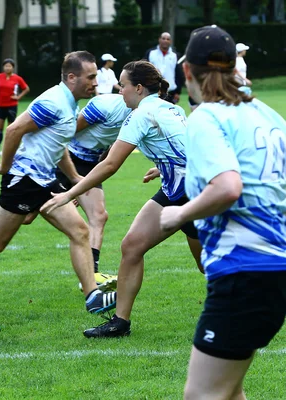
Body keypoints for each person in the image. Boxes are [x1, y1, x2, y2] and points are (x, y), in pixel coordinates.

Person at [158, 25, 286, 400]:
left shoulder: (206, 117)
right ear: (233, 67)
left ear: (186, 71)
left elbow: (228, 186)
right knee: (228, 391)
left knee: (201, 395)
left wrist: (179, 216)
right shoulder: (268, 115)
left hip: (243, 270)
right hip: (274, 269)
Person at [0, 51, 118, 321]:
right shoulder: (54, 102)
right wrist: (5, 166)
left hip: (45, 181)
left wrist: (74, 179)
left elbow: (57, 145)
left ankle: (92, 295)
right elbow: (14, 130)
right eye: (91, 77)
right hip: (24, 181)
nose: (96, 82)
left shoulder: (70, 104)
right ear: (72, 77)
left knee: (80, 231)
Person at [41, 60, 203, 338]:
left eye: (123, 85)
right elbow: (186, 146)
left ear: (138, 88)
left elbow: (110, 165)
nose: (119, 90)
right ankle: (120, 322)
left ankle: (255, 299)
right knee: (132, 247)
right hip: (181, 188)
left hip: (190, 192)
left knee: (210, 263)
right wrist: (163, 165)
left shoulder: (140, 115)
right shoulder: (171, 108)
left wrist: (70, 192)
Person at [57, 93, 132, 288]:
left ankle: (91, 275)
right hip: (63, 159)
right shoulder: (105, 105)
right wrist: (71, 185)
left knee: (98, 216)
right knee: (25, 215)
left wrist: (80, 188)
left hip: (88, 166)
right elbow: (68, 132)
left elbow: (112, 152)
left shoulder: (139, 116)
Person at [0, 58, 30, 156]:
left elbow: (26, 88)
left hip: (12, 106)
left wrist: (18, 97)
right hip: (1, 106)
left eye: (9, 66)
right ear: (3, 67)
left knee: (10, 129)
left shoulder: (17, 78)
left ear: (13, 68)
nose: (7, 68)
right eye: (6, 66)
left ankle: (10, 150)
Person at [145, 32, 185, 104]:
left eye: (168, 39)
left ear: (170, 41)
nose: (165, 41)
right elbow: (144, 70)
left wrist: (178, 92)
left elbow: (179, 74)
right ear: (159, 39)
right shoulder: (151, 53)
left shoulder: (175, 55)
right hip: (153, 91)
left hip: (170, 92)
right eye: (163, 38)